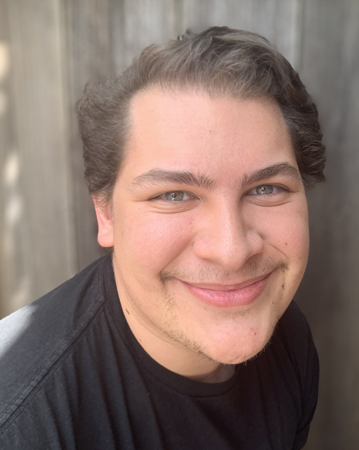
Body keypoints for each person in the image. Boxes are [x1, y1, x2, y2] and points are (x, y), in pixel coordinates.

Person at [0, 26, 324, 449]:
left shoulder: (287, 339)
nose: (231, 251)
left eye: (266, 189)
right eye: (174, 195)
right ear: (106, 213)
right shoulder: (23, 425)